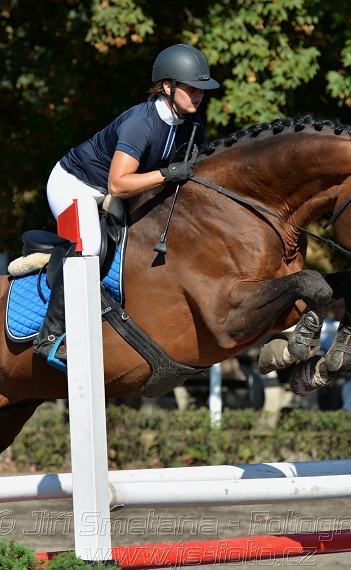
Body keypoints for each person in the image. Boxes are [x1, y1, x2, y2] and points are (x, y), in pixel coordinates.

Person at [35, 44, 220, 365]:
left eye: (201, 89)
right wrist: (165, 174)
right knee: (90, 245)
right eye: (192, 88)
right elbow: (118, 184)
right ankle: (50, 336)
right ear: (168, 86)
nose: (199, 95)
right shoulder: (142, 123)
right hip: (74, 184)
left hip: (121, 192)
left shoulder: (191, 125)